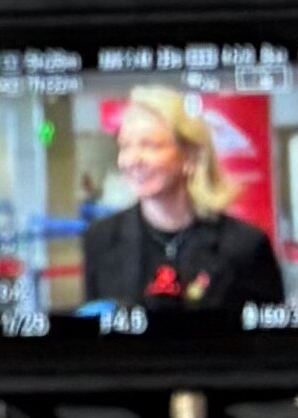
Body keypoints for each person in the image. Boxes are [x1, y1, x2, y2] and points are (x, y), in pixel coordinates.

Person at [79, 84, 284, 313]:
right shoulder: (101, 239)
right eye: (125, 146)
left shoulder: (246, 245)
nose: (132, 160)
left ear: (190, 157)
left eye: (149, 145)